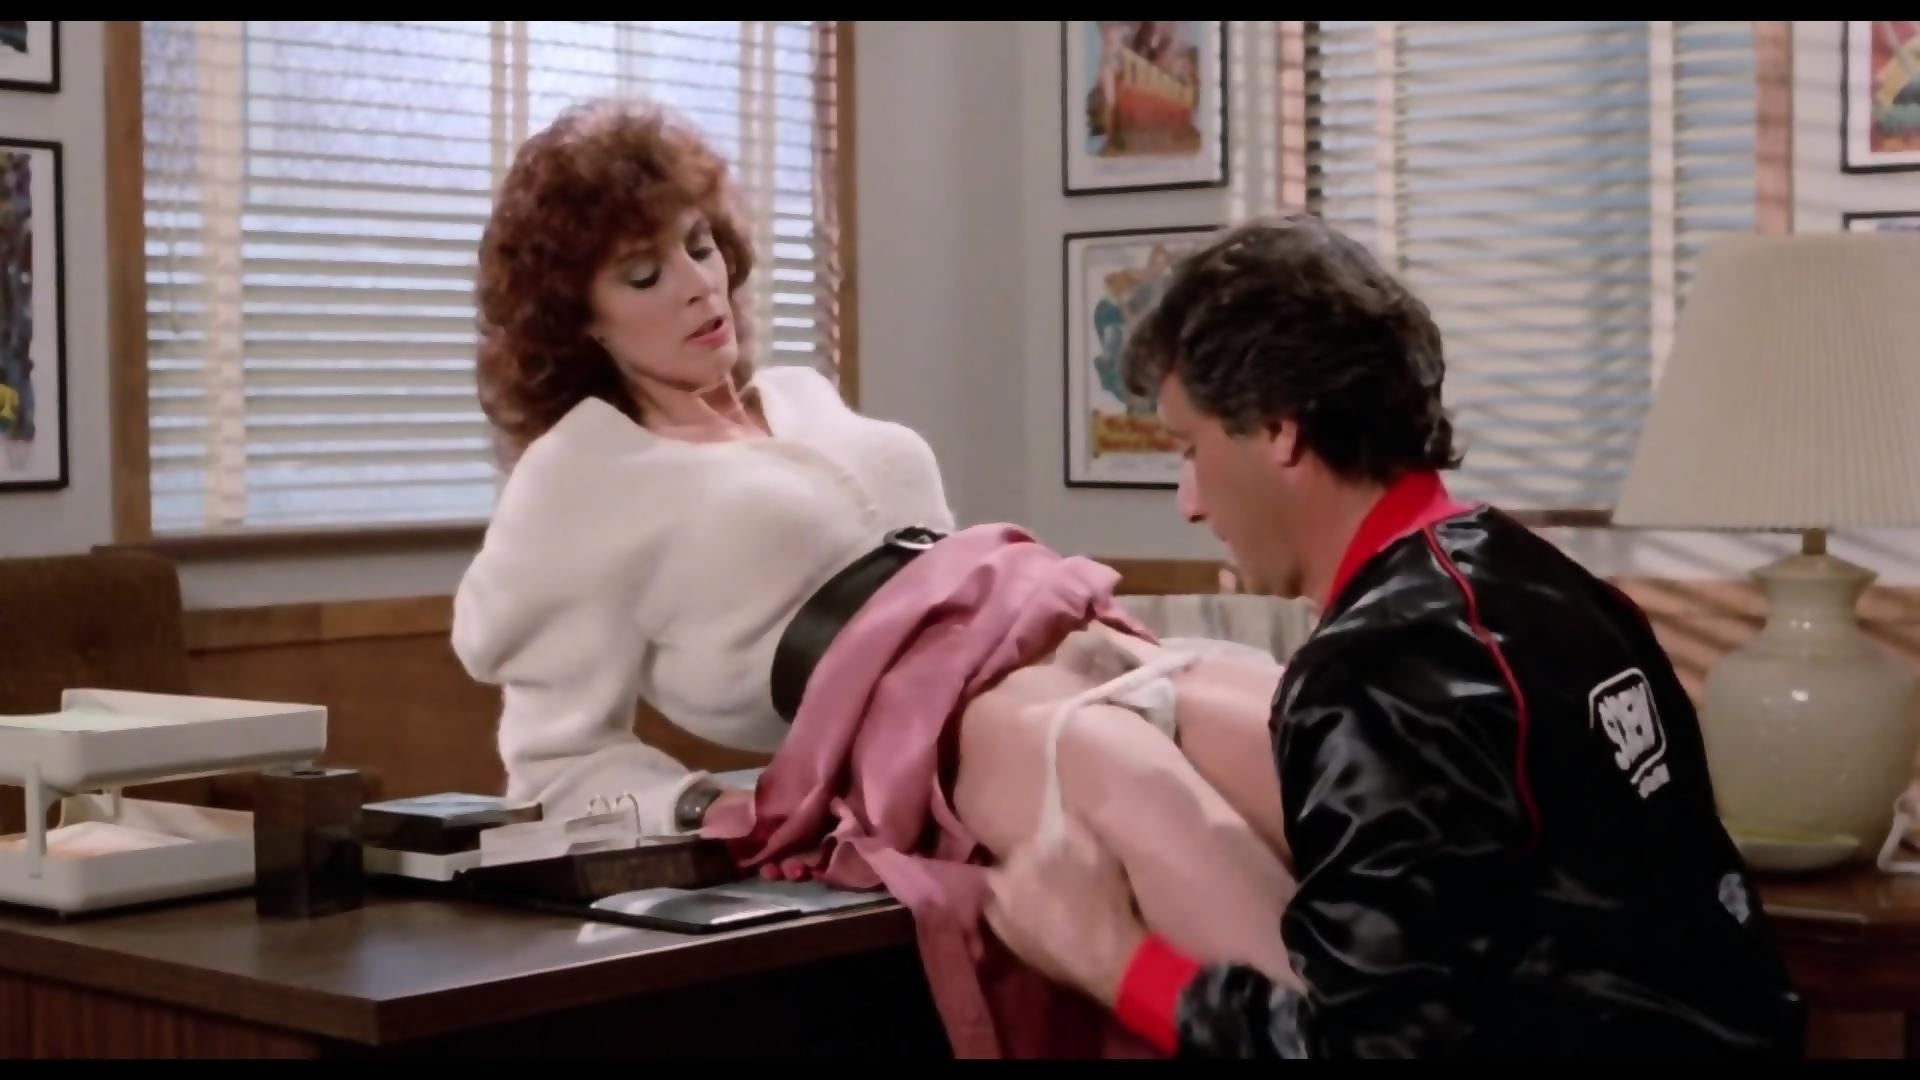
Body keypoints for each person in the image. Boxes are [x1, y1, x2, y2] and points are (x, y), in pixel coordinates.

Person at [448, 99, 1306, 1055]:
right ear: (580, 320)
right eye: (644, 274)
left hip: (1064, 630)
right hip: (936, 725)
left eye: (700, 246)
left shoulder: (799, 394)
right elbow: (554, 759)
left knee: (1302, 732)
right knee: (1140, 785)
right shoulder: (577, 476)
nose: (698, 286)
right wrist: (701, 807)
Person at [983, 214, 1807, 1059]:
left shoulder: (1384, 670)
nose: (1189, 503)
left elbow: (1371, 1052)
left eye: (1190, 450)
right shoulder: (1553, 586)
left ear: (1279, 428)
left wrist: (1111, 958)